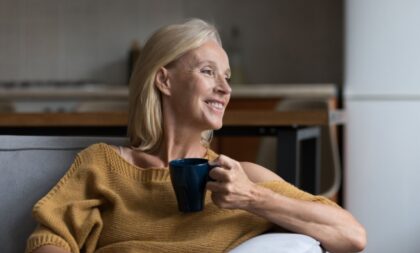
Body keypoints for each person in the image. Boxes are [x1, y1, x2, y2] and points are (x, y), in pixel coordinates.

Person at [25, 19, 366, 253]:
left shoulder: (239, 179)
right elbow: (50, 237)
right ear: (164, 80)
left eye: (227, 77)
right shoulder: (103, 165)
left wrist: (252, 197)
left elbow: (352, 236)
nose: (225, 88)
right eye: (208, 71)